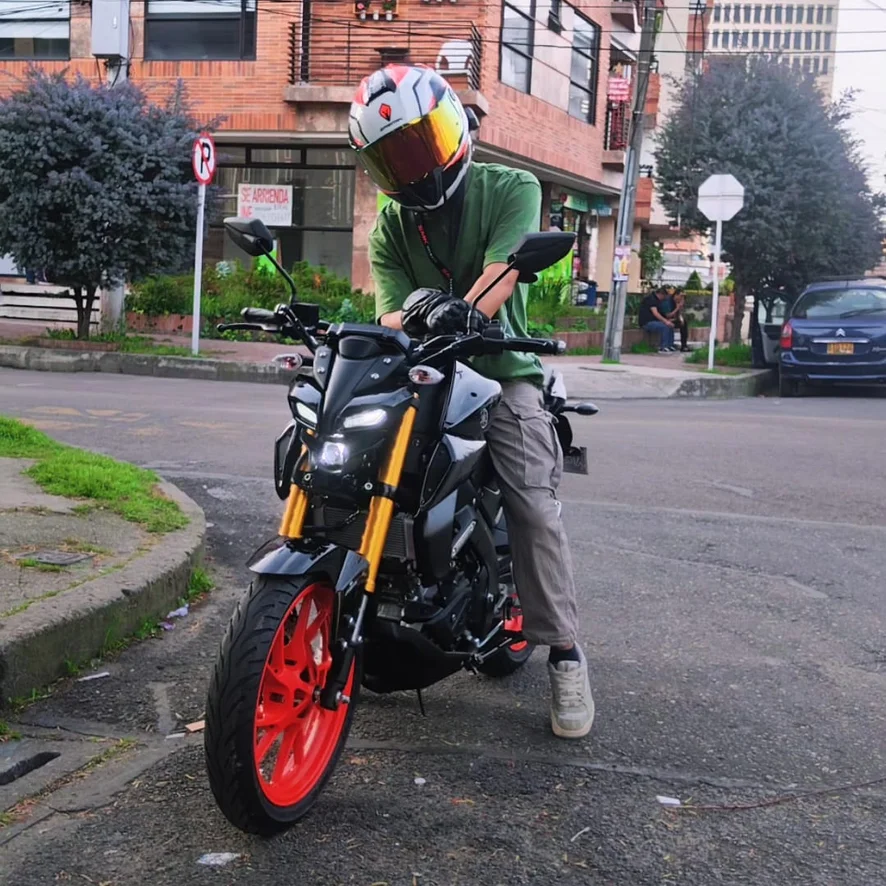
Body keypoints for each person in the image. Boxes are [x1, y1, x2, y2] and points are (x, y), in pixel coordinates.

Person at [350, 64, 594, 739]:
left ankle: (565, 652)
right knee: (355, 464)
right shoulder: (391, 224)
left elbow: (501, 273)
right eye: (395, 156)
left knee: (532, 505)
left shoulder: (511, 186)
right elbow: (388, 310)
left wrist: (456, 311)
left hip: (501, 368)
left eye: (420, 144)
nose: (416, 168)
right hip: (422, 371)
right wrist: (416, 312)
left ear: (453, 128)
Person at [638, 286, 676, 352]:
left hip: (654, 321)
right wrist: (666, 321)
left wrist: (668, 321)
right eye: (664, 297)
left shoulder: (658, 301)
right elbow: (655, 313)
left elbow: (661, 314)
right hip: (647, 322)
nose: (664, 299)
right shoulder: (651, 299)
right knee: (665, 327)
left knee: (670, 326)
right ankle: (663, 346)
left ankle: (669, 345)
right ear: (661, 294)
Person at [659, 285, 690, 352]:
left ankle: (684, 345)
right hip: (663, 319)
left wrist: (680, 309)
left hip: (672, 319)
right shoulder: (667, 302)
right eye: (680, 297)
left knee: (684, 323)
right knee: (677, 323)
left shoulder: (677, 302)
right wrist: (677, 308)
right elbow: (668, 315)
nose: (681, 299)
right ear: (676, 295)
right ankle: (667, 345)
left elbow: (678, 315)